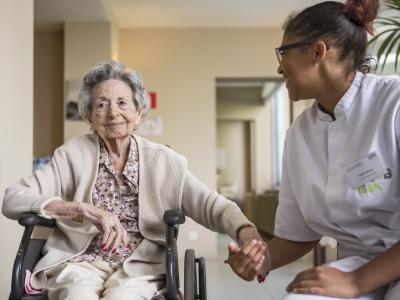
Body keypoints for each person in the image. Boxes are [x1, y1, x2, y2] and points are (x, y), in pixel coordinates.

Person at [2, 61, 266, 300]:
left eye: (123, 103)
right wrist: (80, 209)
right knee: (76, 295)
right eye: (102, 104)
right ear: (90, 116)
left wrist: (248, 235)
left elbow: (215, 206)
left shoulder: (164, 161)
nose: (113, 113)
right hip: (78, 262)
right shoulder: (73, 154)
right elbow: (13, 199)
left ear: (139, 112)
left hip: (141, 266)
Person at [226, 0, 400, 299]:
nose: (279, 66)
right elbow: (297, 235)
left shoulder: (393, 103)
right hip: (358, 264)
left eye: (284, 52)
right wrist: (260, 260)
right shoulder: (299, 134)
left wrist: (357, 282)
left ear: (318, 52)